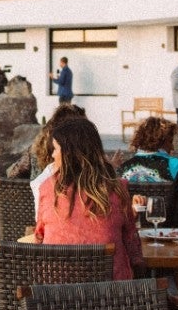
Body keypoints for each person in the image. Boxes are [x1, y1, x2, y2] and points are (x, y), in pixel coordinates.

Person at [34, 115, 144, 280]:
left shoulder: (48, 188)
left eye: (55, 149)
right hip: (111, 297)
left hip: (56, 296)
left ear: (69, 154)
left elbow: (39, 236)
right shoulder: (117, 188)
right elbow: (131, 242)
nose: (52, 155)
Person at [28, 103, 86, 215]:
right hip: (61, 209)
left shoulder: (36, 149)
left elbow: (13, 173)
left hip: (36, 208)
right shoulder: (74, 153)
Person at [117, 116, 178, 182]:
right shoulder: (177, 166)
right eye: (170, 142)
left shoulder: (123, 169)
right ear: (160, 141)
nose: (172, 147)